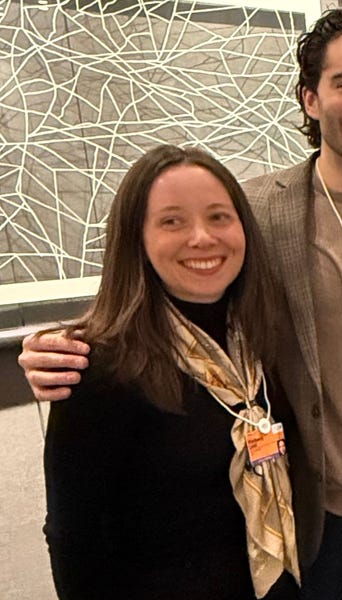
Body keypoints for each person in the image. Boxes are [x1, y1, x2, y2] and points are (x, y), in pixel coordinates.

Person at [22, 9, 342, 599]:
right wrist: (62, 347)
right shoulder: (253, 213)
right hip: (322, 527)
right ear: (311, 98)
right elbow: (167, 287)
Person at [42, 145, 300, 599]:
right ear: (136, 239)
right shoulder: (99, 367)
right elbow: (74, 539)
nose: (201, 238)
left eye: (219, 217)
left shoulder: (264, 339)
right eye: (172, 221)